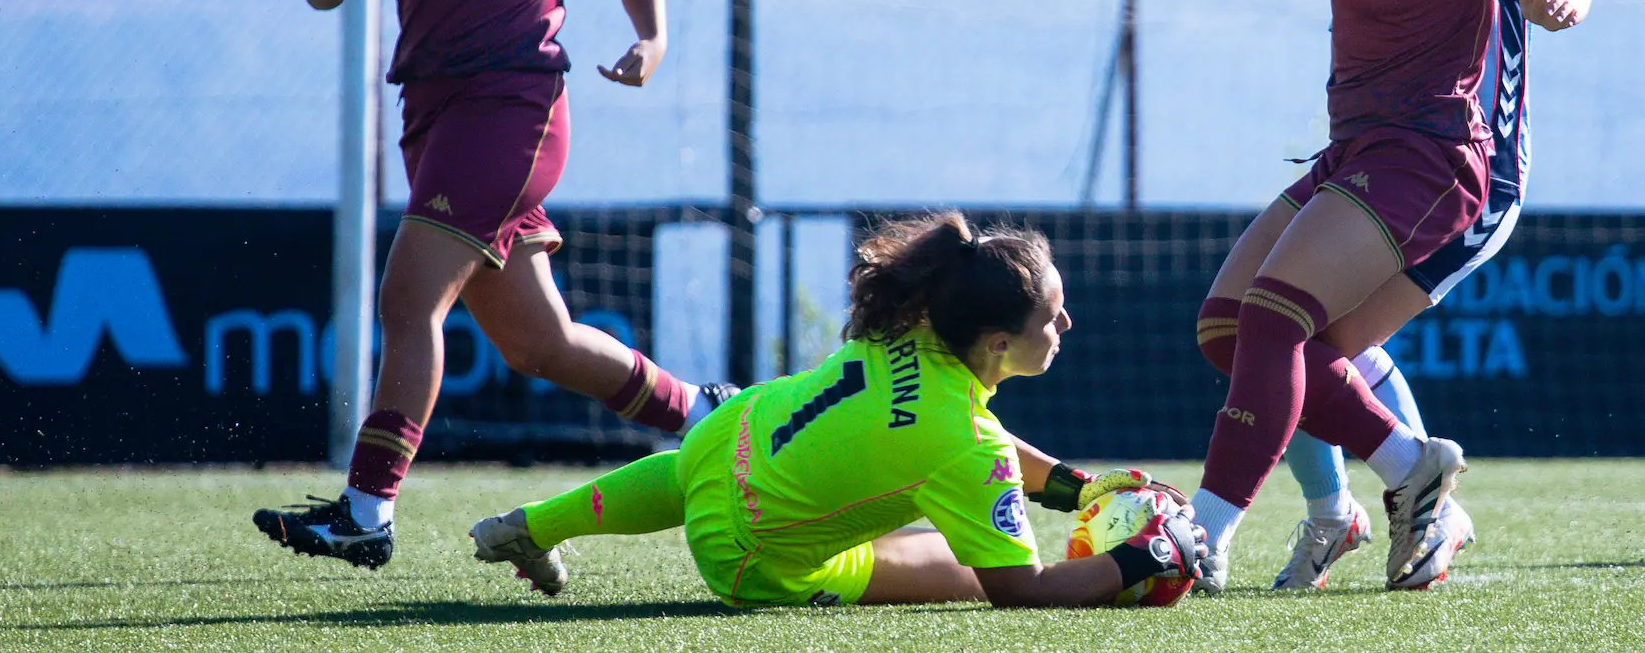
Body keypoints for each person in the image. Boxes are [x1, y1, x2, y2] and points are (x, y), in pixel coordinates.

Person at [253, 0, 735, 571]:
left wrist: (652, 42)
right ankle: (709, 415)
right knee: (537, 344)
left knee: (408, 302)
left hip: (516, 113)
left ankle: (366, 509)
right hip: (432, 114)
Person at [1188, 0, 1594, 592]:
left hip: (1425, 156)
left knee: (1278, 324)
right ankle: (1412, 470)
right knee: (1226, 329)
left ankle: (1204, 535)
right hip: (1358, 148)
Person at [466, 213, 1206, 608]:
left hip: (729, 432)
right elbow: (1022, 591)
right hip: (747, 559)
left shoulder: (920, 321)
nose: (1067, 326)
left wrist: (1075, 490)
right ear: (998, 341)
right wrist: (1142, 556)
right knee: (964, 568)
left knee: (703, 471)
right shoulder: (962, 442)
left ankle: (528, 527)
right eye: (1054, 315)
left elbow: (983, 442)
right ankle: (540, 530)